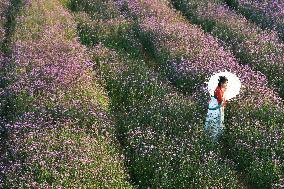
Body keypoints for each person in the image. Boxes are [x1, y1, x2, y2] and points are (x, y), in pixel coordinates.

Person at [204, 76, 228, 141]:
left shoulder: (220, 89)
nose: (226, 85)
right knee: (215, 120)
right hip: (216, 108)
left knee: (215, 121)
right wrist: (224, 94)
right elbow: (221, 101)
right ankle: (213, 138)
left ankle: (215, 136)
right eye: (225, 83)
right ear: (221, 83)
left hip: (215, 106)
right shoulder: (218, 90)